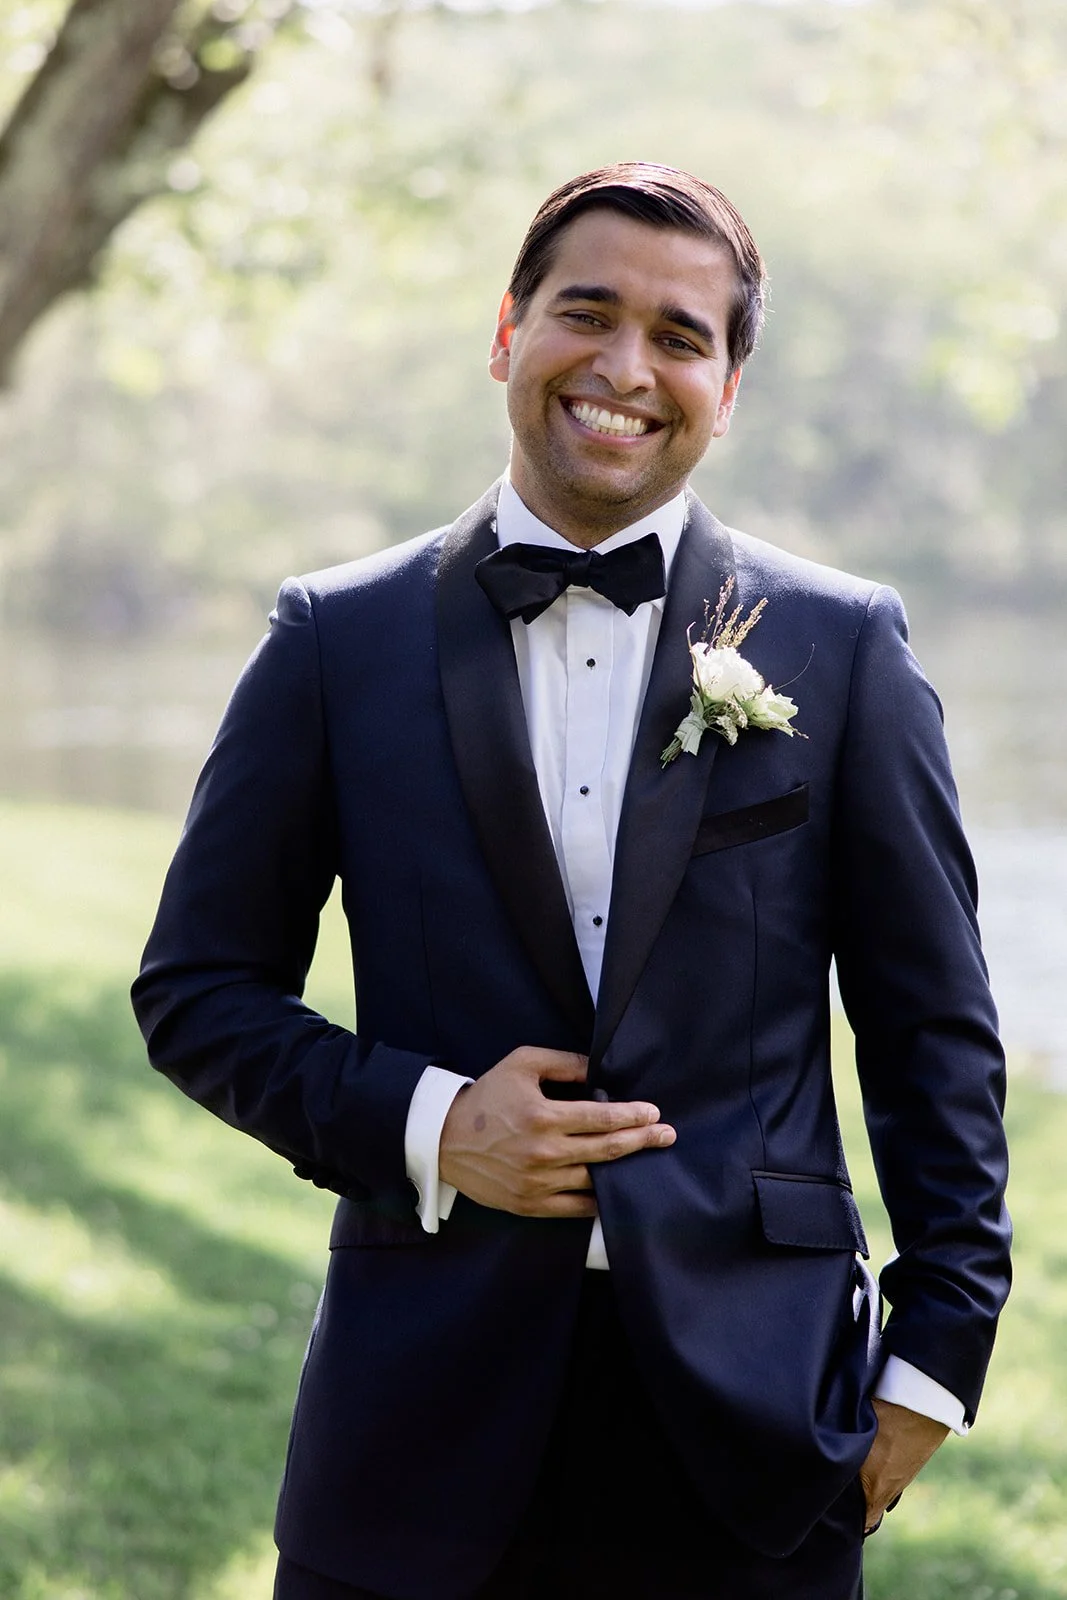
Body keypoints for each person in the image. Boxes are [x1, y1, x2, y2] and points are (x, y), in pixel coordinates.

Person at [132, 163, 1011, 1600]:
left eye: (679, 336)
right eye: (583, 313)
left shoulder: (844, 647)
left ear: (726, 387)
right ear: (505, 330)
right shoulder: (334, 639)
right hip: (414, 1414)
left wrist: (931, 1360)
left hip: (759, 1413)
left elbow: (932, 1031)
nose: (623, 367)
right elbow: (198, 991)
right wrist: (432, 1123)